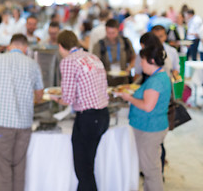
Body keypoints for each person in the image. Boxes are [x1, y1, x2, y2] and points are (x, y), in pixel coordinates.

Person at [0, 34, 44, 191]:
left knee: (2, 168)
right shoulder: (33, 64)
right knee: (19, 167)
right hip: (24, 124)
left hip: (1, 124)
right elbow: (40, 95)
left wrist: (1, 92)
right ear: (26, 48)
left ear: (9, 46)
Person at [53, 30, 109, 191]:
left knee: (83, 170)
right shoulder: (93, 57)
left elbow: (67, 99)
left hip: (88, 118)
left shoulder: (69, 61)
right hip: (102, 115)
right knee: (87, 166)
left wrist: (53, 98)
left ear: (60, 46)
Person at [119, 44, 171, 191]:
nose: (140, 64)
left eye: (142, 61)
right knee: (152, 167)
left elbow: (148, 106)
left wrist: (129, 98)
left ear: (152, 61)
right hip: (151, 126)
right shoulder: (159, 76)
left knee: (151, 170)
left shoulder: (155, 81)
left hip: (150, 129)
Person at [92, 19, 136, 86]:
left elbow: (134, 57)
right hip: (106, 82)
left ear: (118, 30)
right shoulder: (99, 44)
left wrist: (129, 67)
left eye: (113, 33)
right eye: (108, 33)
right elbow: (94, 63)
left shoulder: (125, 42)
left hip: (124, 81)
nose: (111, 35)